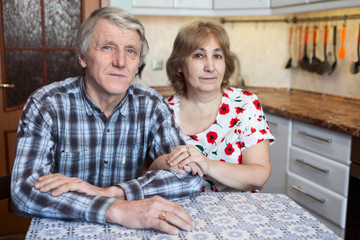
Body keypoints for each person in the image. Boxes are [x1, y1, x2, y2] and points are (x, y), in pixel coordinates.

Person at [11, 7, 201, 235]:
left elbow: (190, 177)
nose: (121, 62)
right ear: (82, 56)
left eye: (131, 51)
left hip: (129, 232)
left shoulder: (151, 105)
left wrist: (116, 192)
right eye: (108, 47)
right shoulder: (46, 104)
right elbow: (24, 192)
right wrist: (116, 209)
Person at [150, 21, 274, 192]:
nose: (210, 67)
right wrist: (161, 163)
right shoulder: (162, 112)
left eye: (217, 56)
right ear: (179, 65)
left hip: (240, 213)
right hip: (180, 212)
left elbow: (259, 175)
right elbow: (145, 174)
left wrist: (207, 165)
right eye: (199, 56)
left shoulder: (245, 105)